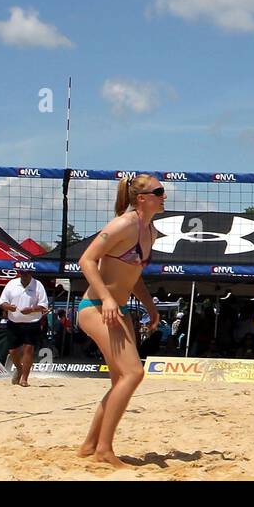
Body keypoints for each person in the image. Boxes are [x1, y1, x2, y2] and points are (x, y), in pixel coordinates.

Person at [75, 173, 165, 466]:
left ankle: (90, 445)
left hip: (119, 310)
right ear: (142, 198)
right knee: (134, 374)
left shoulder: (150, 232)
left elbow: (134, 278)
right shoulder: (124, 223)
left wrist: (151, 307)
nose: (165, 195)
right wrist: (108, 298)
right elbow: (86, 260)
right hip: (96, 307)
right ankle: (104, 449)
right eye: (159, 191)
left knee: (120, 381)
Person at [0, 262, 49, 386]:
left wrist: (31, 309)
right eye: (22, 273)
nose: (24, 275)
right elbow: (2, 302)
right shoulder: (11, 284)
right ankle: (19, 368)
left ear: (31, 273)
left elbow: (44, 306)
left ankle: (24, 379)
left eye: (26, 273)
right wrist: (8, 307)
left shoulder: (38, 285)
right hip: (14, 321)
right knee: (12, 351)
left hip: (32, 322)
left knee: (28, 349)